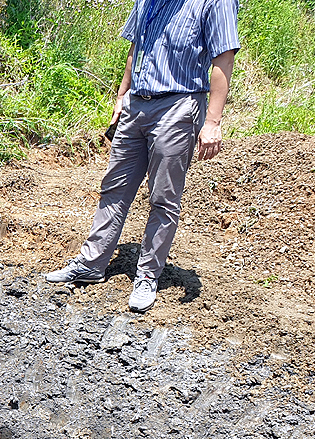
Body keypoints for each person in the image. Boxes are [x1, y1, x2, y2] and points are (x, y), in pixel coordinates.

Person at [45, 0, 239, 312]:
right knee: (114, 187)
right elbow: (136, 46)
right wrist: (122, 95)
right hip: (136, 103)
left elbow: (224, 59)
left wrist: (212, 122)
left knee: (163, 198)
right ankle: (91, 263)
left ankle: (147, 276)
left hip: (179, 106)